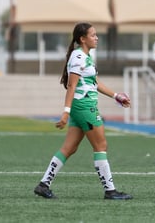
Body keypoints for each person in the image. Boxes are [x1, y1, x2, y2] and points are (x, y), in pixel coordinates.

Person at [33, 22, 133, 200]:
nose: (96, 38)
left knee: (69, 148)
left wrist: (116, 95)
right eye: (93, 35)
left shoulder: (85, 56)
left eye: (96, 34)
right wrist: (65, 112)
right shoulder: (79, 57)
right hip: (85, 106)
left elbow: (95, 83)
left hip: (81, 106)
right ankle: (110, 191)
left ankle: (43, 185)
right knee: (101, 146)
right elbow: (71, 86)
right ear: (82, 39)